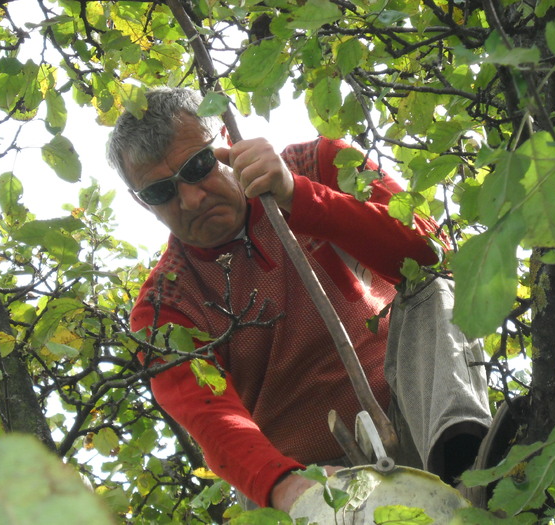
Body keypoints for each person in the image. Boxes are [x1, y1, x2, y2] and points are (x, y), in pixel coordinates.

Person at [106, 87, 492, 513]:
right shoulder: (165, 307)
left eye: (199, 167)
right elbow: (210, 416)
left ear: (226, 142)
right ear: (142, 203)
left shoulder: (324, 164)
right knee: (265, 496)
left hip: (423, 421)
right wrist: (284, 486)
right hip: (308, 483)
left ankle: (469, 466)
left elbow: (430, 252)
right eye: (162, 192)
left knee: (430, 287)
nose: (191, 198)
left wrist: (297, 195)